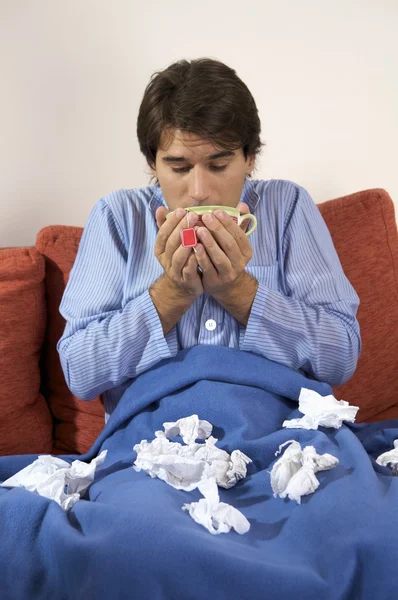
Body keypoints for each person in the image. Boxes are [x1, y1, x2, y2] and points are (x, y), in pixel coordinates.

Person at [57, 58, 361, 421]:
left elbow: (341, 357)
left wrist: (239, 291)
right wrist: (172, 294)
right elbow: (80, 371)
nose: (199, 192)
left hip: (280, 432)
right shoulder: (117, 218)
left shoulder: (288, 206)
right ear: (153, 163)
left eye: (218, 166)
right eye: (179, 167)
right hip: (152, 440)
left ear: (250, 158)